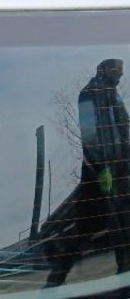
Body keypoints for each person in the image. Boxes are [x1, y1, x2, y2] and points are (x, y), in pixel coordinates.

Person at [43, 59, 130, 286]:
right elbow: (90, 134)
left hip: (120, 168)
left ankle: (124, 270)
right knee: (93, 224)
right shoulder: (91, 93)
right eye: (117, 71)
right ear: (104, 70)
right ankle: (57, 272)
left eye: (122, 72)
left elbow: (124, 127)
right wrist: (102, 168)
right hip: (102, 171)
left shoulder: (112, 94)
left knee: (117, 221)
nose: (120, 76)